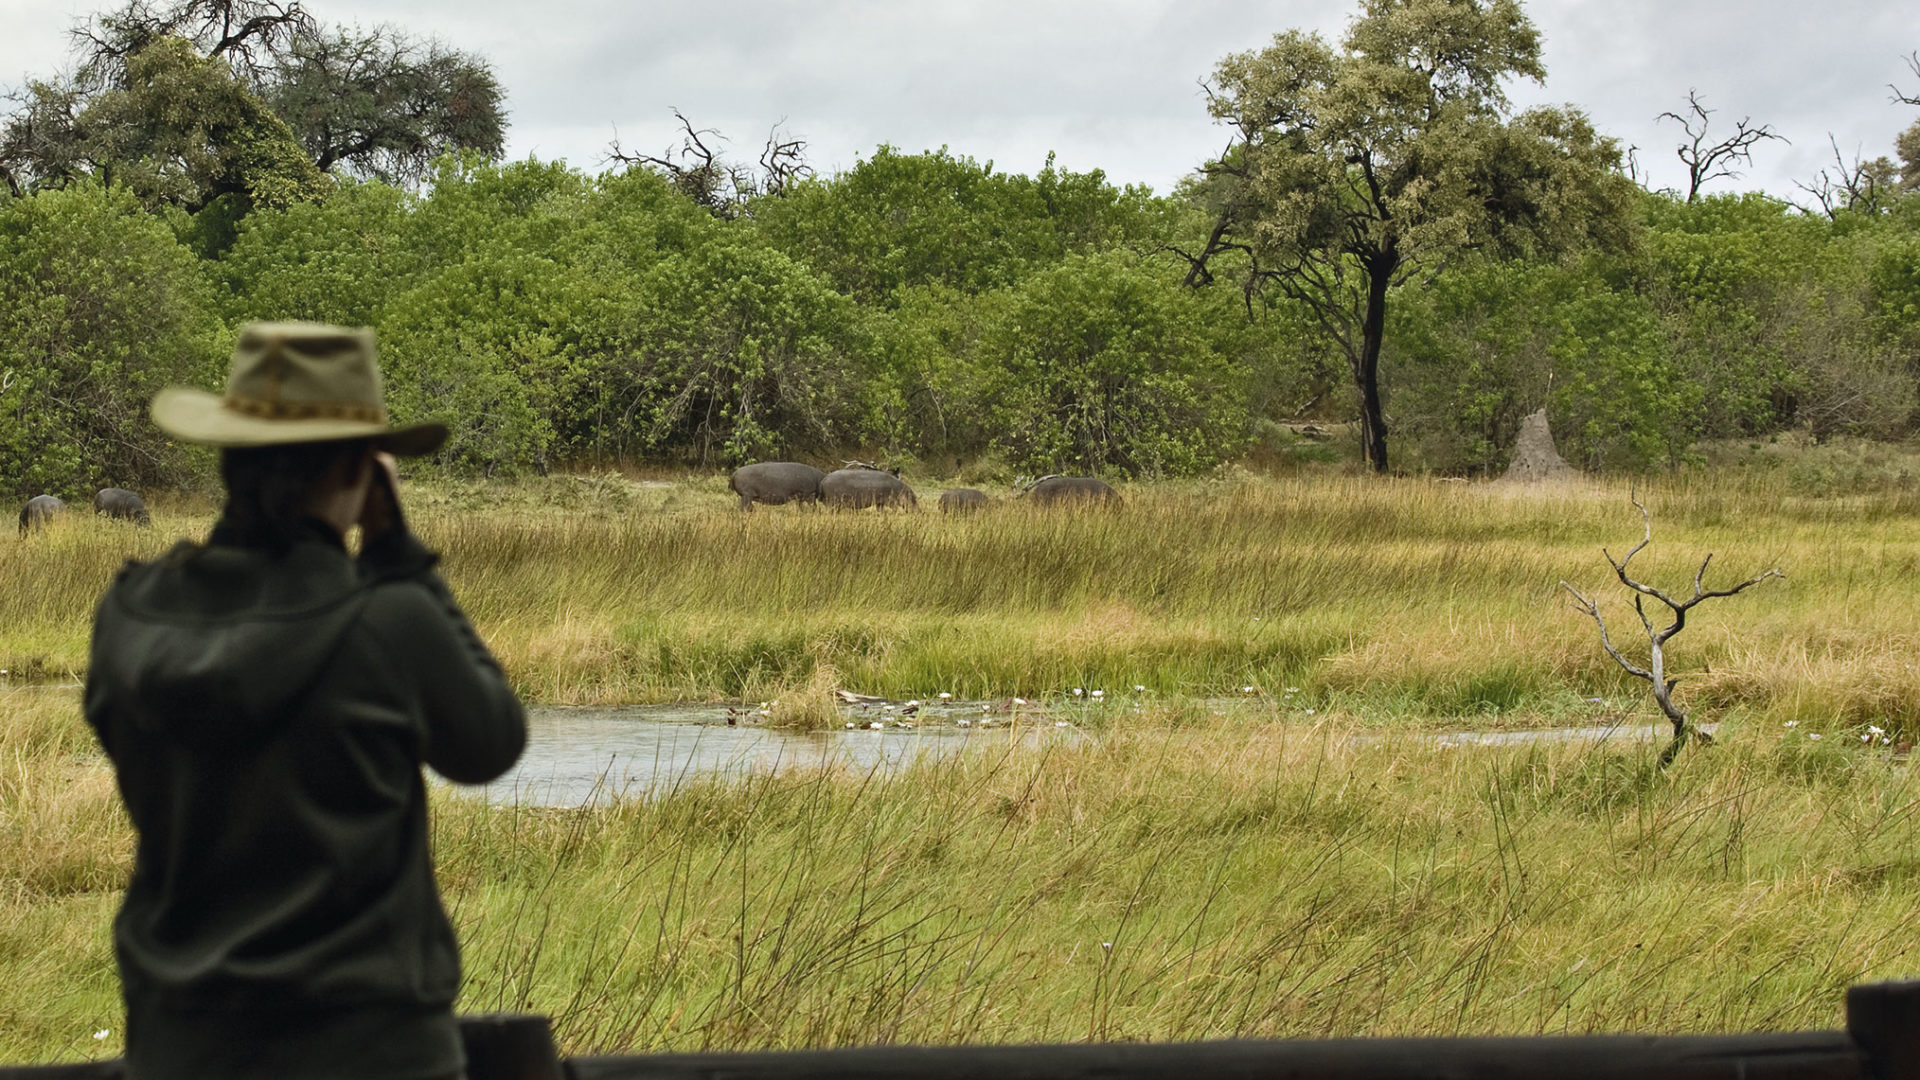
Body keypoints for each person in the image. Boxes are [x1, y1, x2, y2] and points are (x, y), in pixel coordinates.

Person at [84, 322, 527, 1080]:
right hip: (371, 1047)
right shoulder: (386, 620)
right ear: (363, 468)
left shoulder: (131, 614)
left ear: (228, 459)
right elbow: (490, 744)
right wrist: (400, 555)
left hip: (179, 1046)